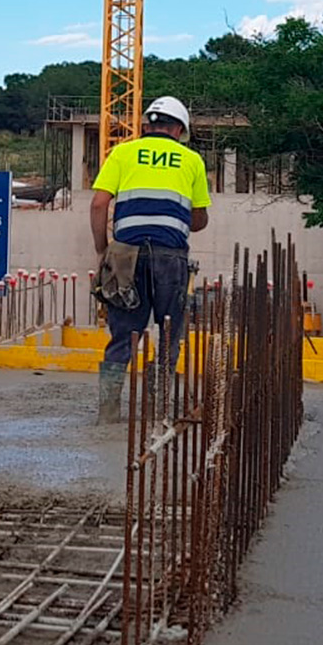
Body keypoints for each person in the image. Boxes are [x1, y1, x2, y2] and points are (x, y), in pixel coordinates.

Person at [90, 96, 211, 423]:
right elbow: (199, 219)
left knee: (123, 334)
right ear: (179, 129)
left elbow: (99, 204)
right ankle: (158, 411)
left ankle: (109, 412)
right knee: (170, 332)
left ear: (146, 126)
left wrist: (104, 251)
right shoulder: (191, 160)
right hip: (170, 257)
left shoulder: (121, 152)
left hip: (126, 256)